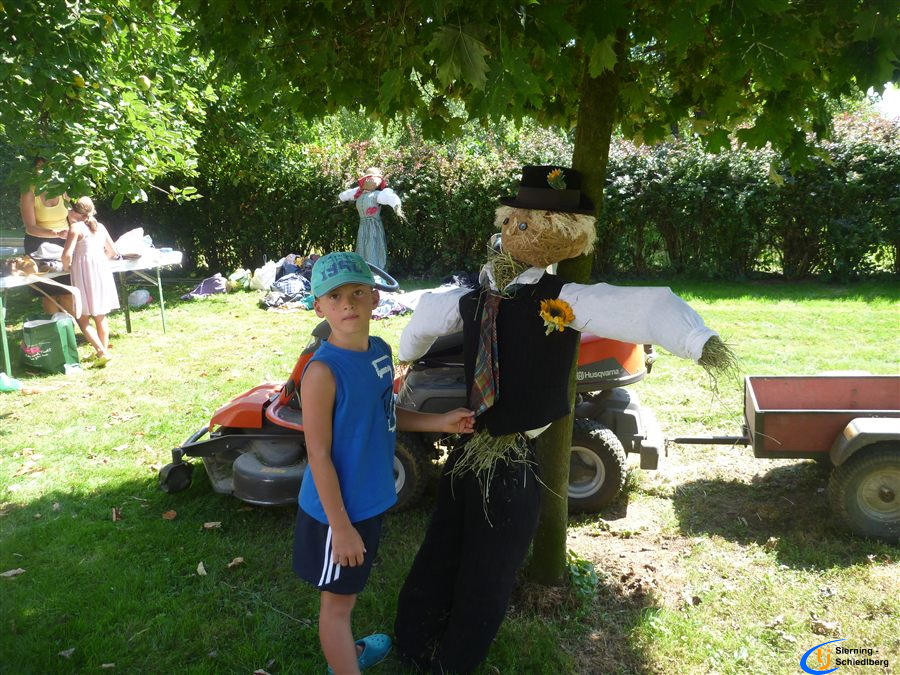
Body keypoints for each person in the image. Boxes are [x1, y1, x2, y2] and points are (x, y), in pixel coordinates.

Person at [295, 251, 474, 675]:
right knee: (336, 607)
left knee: (348, 594)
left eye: (357, 292)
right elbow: (318, 454)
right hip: (336, 513)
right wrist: (341, 528)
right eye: (334, 296)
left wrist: (439, 421)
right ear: (319, 307)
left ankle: (346, 654)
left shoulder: (379, 350)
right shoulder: (322, 373)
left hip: (367, 502)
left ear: (375, 298)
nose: (347, 303)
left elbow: (385, 414)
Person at [61, 197, 120, 365]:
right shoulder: (100, 227)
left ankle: (102, 352)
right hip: (101, 271)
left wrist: (67, 267)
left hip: (83, 273)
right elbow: (113, 252)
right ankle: (103, 352)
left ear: (75, 212)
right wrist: (99, 261)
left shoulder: (75, 228)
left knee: (82, 316)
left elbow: (66, 255)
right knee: (100, 315)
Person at [19, 157, 77, 316]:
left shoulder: (63, 189)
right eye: (40, 167)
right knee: (49, 293)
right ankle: (55, 327)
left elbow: (72, 217)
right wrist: (55, 233)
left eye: (49, 167)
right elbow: (30, 227)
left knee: (67, 291)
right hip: (39, 246)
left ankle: (69, 328)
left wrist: (78, 232)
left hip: (64, 244)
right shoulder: (29, 191)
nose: (45, 171)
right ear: (34, 169)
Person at [338, 167, 403, 270]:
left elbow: (389, 197)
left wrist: (396, 205)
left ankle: (375, 270)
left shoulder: (377, 195)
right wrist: (341, 197)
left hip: (373, 225)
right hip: (363, 225)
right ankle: (363, 269)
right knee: (362, 246)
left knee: (372, 246)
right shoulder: (359, 194)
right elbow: (346, 195)